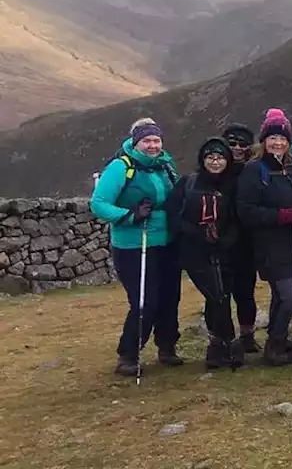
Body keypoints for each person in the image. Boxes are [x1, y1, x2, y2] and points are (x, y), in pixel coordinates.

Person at [91, 118, 183, 376]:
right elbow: (98, 203)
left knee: (169, 297)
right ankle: (128, 354)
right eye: (147, 141)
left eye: (156, 140)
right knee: (145, 302)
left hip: (166, 242)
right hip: (134, 245)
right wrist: (130, 215)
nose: (152, 145)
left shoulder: (166, 165)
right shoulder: (121, 167)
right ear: (136, 142)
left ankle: (167, 347)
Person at [235, 109, 292, 366]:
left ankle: (278, 339)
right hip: (270, 243)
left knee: (287, 295)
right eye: (272, 138)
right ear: (263, 140)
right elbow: (246, 210)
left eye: (282, 138)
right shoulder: (254, 170)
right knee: (288, 295)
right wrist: (282, 216)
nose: (278, 143)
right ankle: (275, 344)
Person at [165, 137, 244, 369]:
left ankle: (218, 346)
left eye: (220, 157)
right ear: (203, 159)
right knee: (215, 294)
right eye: (211, 157)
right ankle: (225, 343)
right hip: (195, 252)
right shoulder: (188, 184)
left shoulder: (233, 185)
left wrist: (227, 238)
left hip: (226, 250)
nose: (215, 161)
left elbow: (238, 216)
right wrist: (196, 233)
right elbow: (173, 215)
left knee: (222, 295)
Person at [221, 123, 261, 353]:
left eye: (242, 144)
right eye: (232, 143)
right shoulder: (213, 171)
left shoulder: (253, 170)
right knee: (220, 295)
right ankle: (223, 340)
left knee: (246, 292)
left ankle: (247, 336)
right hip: (221, 244)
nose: (236, 148)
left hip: (247, 242)